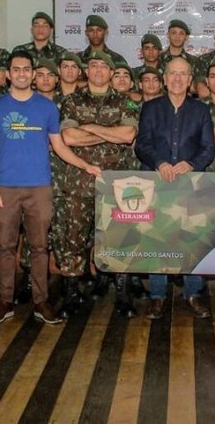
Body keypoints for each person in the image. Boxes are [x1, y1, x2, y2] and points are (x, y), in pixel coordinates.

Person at [0, 50, 101, 325]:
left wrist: (85, 166)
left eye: (26, 69)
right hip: (6, 188)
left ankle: (41, 301)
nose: (22, 73)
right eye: (16, 69)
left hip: (40, 188)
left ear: (33, 74)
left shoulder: (47, 108)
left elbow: (59, 146)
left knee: (39, 247)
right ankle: (5, 301)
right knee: (7, 246)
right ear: (9, 74)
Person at [59, 51, 138, 317]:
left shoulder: (126, 102)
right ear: (86, 70)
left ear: (111, 72)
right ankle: (71, 295)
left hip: (116, 182)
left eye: (104, 66)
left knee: (119, 238)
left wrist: (89, 127)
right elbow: (69, 137)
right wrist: (107, 134)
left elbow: (127, 135)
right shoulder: (71, 100)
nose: (98, 70)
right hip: (79, 181)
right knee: (74, 239)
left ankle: (122, 295)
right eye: (93, 65)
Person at [135, 57, 215, 320]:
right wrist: (159, 162)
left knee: (191, 239)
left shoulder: (201, 110)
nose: (178, 79)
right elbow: (142, 145)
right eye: (173, 73)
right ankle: (157, 296)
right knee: (158, 238)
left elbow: (209, 149)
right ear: (165, 77)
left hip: (190, 185)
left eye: (183, 74)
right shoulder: (150, 108)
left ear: (190, 79)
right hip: (158, 183)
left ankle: (193, 293)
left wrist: (191, 164)